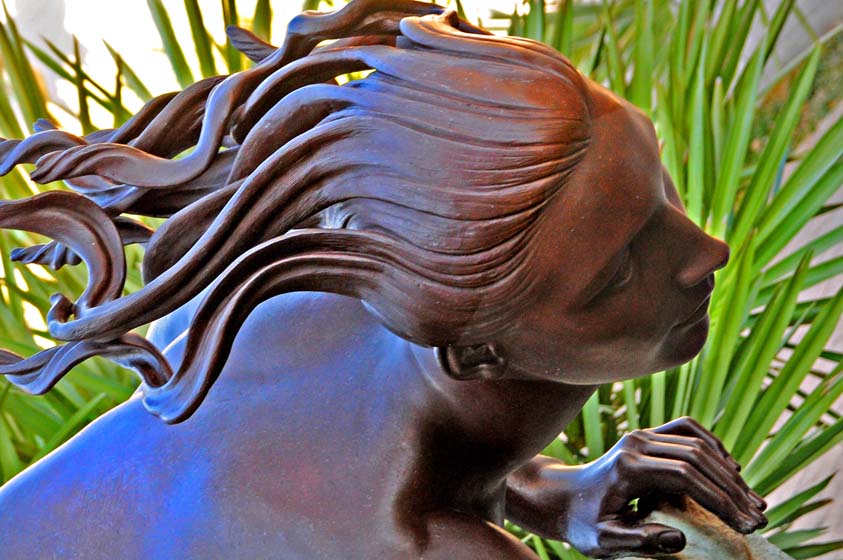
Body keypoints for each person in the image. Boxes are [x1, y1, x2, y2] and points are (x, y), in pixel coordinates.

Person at [0, 2, 766, 558]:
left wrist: (554, 495)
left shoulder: (322, 293)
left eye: (658, 187)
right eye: (615, 272)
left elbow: (363, 445)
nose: (706, 252)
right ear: (477, 353)